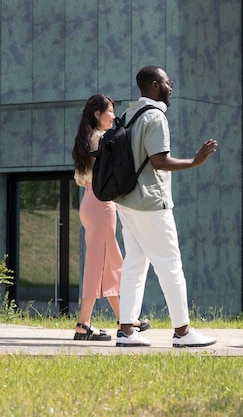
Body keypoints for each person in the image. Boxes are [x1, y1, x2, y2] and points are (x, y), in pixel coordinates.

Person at [113, 65, 217, 348]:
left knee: (135, 265)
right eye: (168, 83)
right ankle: (182, 332)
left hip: (126, 201)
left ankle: (126, 330)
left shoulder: (127, 114)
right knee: (170, 266)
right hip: (150, 203)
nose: (171, 87)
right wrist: (195, 161)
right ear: (154, 85)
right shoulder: (155, 117)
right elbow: (159, 161)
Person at [71, 94, 149, 341]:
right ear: (97, 114)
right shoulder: (100, 139)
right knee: (100, 265)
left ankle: (123, 318)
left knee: (109, 263)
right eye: (110, 111)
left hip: (90, 203)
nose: (113, 116)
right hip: (102, 205)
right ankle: (84, 324)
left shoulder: (86, 139)